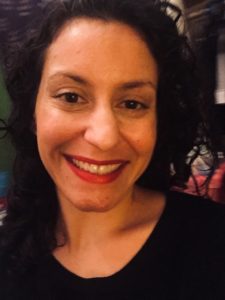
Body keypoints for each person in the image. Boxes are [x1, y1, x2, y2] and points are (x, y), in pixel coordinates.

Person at [0, 0, 225, 299]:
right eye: (71, 97)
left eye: (132, 104)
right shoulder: (8, 257)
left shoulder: (214, 243)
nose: (104, 137)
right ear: (33, 112)